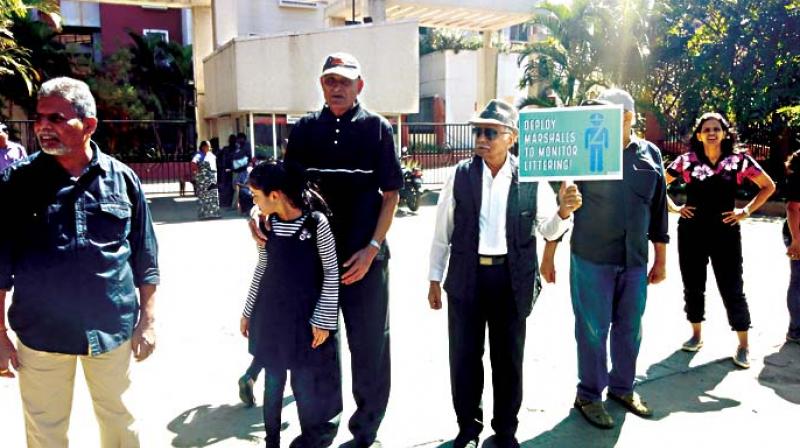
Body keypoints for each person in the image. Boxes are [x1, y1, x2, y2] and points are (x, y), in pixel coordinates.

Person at [251, 52, 402, 447]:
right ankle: (320, 429)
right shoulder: (304, 131)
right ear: (321, 85)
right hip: (312, 263)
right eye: (330, 80)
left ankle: (366, 430)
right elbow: (279, 188)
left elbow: (391, 194)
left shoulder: (377, 130)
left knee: (370, 346)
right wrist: (257, 212)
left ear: (359, 86)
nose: (337, 87)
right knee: (318, 346)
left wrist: (373, 247)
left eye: (345, 81)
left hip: (363, 260)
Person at [0, 77, 159, 447]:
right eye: (39, 118)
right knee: (46, 434)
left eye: (55, 117)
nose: (43, 127)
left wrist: (148, 321)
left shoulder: (123, 180)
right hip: (42, 335)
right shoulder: (16, 184)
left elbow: (145, 256)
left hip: (112, 330)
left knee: (122, 425)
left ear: (88, 125)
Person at [427, 99, 581, 448]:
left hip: (512, 281)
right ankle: (468, 428)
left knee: (508, 360)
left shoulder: (529, 178)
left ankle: (505, 431)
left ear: (511, 138)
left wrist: (564, 211)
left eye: (490, 132)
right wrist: (435, 278)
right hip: (467, 279)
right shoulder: (460, 175)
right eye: (477, 131)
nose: (481, 138)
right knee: (465, 357)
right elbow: (442, 232)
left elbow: (549, 230)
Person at [566, 88, 669, 429]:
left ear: (626, 118)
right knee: (593, 330)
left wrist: (661, 259)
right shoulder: (586, 149)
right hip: (592, 258)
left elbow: (658, 213)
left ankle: (623, 387)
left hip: (635, 262)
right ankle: (589, 395)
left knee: (630, 329)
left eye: (606, 115)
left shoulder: (650, 154)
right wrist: (565, 199)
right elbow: (563, 197)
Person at [240, 160, 341, 448]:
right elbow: (262, 267)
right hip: (271, 316)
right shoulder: (267, 224)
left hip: (305, 320)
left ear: (275, 195)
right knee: (273, 382)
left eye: (256, 196)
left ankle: (310, 440)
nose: (254, 203)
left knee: (304, 385)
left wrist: (323, 319)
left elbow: (331, 271)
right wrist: (248, 310)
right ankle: (272, 442)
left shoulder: (315, 223)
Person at [665, 112, 775, 368]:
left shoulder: (738, 161)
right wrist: (674, 207)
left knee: (732, 286)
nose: (712, 133)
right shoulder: (687, 161)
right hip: (691, 231)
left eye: (716, 128)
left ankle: (744, 345)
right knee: (693, 284)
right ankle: (696, 335)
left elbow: (768, 186)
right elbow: (658, 182)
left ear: (725, 133)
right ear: (699, 134)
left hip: (725, 231)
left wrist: (745, 211)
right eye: (706, 129)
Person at [783, 150, 800, 345]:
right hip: (797, 234)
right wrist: (796, 240)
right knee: (798, 280)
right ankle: (795, 330)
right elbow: (792, 208)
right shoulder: (798, 178)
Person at [191, 140, 222, 219]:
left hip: (212, 179)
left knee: (213, 196)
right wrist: (197, 172)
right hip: (203, 180)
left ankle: (215, 214)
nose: (209, 147)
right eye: (208, 146)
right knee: (203, 197)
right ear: (203, 147)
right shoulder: (199, 155)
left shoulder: (209, 155)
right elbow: (193, 163)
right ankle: (204, 215)